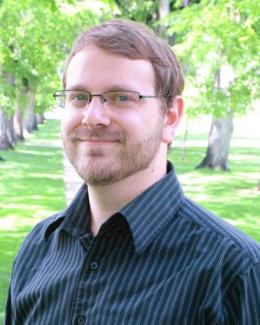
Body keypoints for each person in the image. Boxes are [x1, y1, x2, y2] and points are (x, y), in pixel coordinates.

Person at [5, 19, 260, 325]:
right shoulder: (39, 248)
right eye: (79, 97)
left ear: (170, 117)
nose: (92, 117)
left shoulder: (231, 270)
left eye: (122, 98)